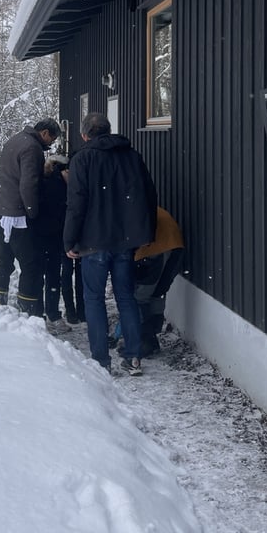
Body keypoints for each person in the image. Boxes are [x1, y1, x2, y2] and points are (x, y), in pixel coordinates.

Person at [64, 112, 157, 375]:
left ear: (84, 134)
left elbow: (76, 204)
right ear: (108, 130)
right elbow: (148, 194)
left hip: (93, 241)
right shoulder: (131, 156)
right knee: (126, 298)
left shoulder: (82, 159)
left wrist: (69, 239)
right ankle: (134, 356)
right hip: (125, 240)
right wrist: (144, 233)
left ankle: (101, 360)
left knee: (93, 299)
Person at [0, 118, 60, 315]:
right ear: (44, 132)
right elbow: (28, 184)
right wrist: (32, 211)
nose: (51, 144)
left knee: (5, 259)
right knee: (31, 265)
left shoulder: (14, 140)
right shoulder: (32, 148)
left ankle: (0, 298)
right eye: (52, 139)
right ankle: (27, 309)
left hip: (0, 211)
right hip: (18, 216)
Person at [112, 207, 184, 357]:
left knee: (140, 298)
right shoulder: (139, 204)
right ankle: (151, 339)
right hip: (174, 245)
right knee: (157, 293)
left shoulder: (123, 213)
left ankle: (143, 343)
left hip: (153, 250)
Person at [36, 154, 72, 334]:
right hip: (55, 235)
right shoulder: (61, 185)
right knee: (52, 276)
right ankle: (53, 314)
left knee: (38, 275)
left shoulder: (41, 180)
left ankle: (37, 314)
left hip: (39, 233)